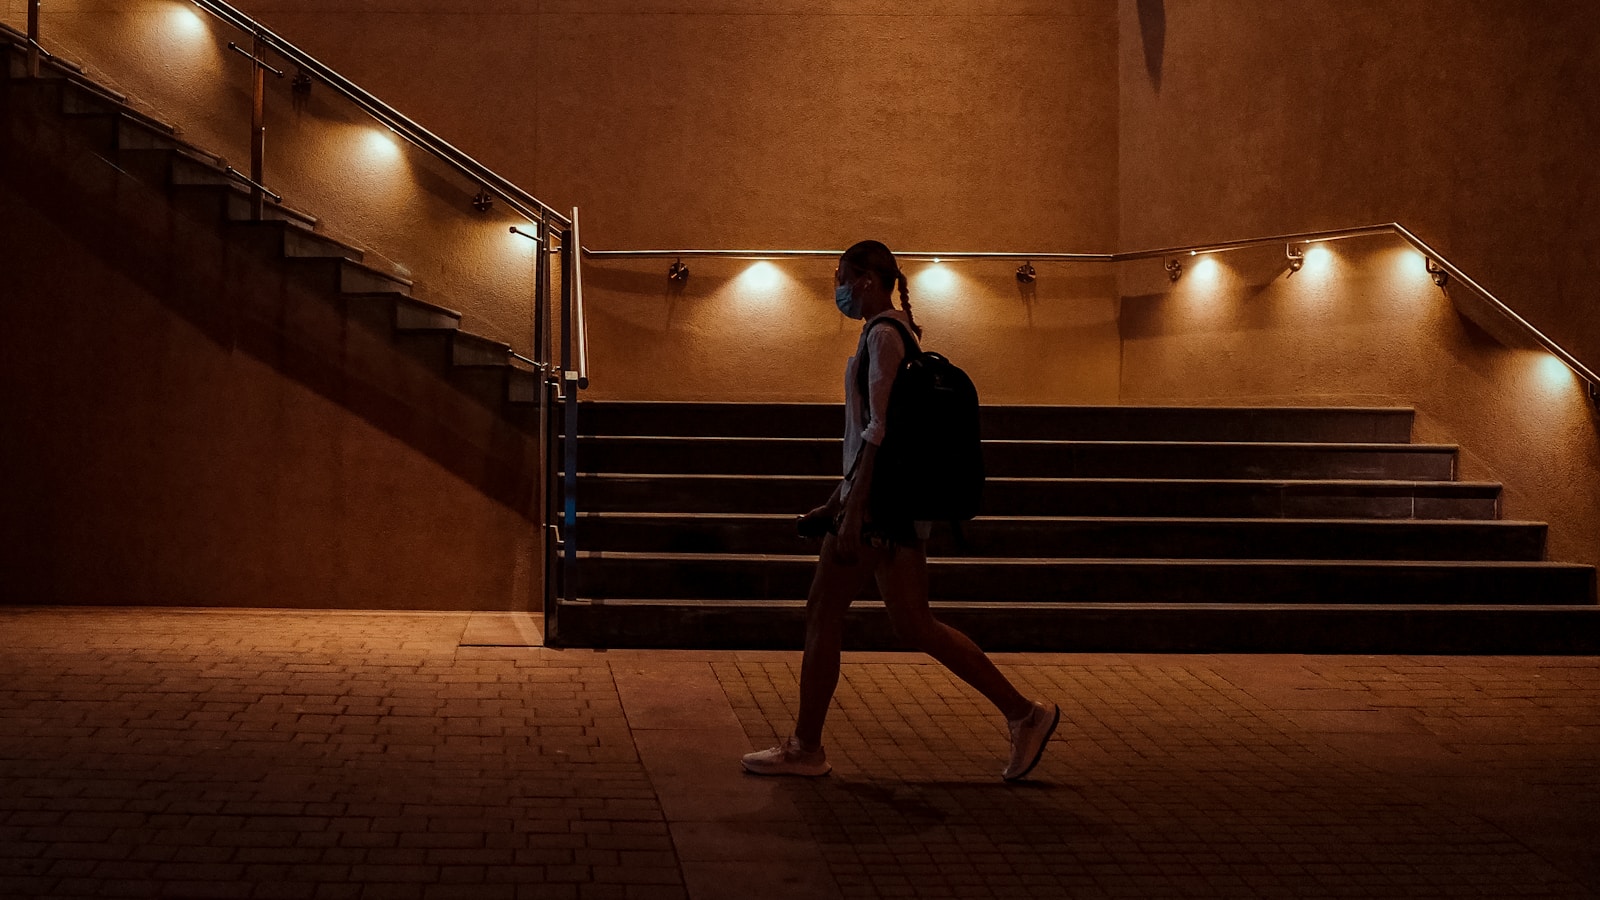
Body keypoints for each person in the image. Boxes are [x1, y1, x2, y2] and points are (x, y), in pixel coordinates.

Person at [740, 240, 1059, 782]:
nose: (837, 288)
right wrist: (836, 499)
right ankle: (1025, 714)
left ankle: (806, 747)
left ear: (866, 279)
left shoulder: (883, 335)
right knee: (914, 622)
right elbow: (873, 433)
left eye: (841, 277)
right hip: (887, 505)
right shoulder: (897, 334)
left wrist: (855, 508)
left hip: (879, 510)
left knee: (822, 612)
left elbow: (878, 432)